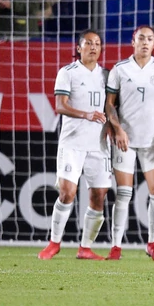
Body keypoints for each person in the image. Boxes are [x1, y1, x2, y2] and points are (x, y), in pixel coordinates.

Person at [38, 29, 111, 261]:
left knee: (99, 196)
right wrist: (86, 114)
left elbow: (112, 108)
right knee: (67, 193)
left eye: (97, 43)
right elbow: (60, 106)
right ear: (78, 48)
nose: (93, 47)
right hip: (72, 143)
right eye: (88, 43)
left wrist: (114, 127)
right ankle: (54, 243)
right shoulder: (67, 72)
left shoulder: (108, 76)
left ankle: (85, 248)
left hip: (99, 145)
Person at [105, 25, 154, 262]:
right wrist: (118, 129)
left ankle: (152, 243)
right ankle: (116, 246)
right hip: (126, 141)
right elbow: (109, 104)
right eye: (141, 38)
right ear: (132, 41)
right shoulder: (120, 70)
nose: (145, 42)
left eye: (150, 39)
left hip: (152, 142)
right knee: (123, 193)